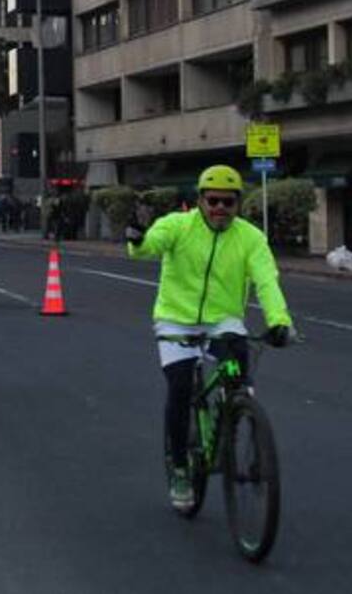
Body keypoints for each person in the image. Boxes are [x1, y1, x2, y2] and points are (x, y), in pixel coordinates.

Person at [125, 165, 295, 513]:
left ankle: (237, 416)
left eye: (228, 202)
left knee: (238, 369)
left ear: (239, 204)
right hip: (176, 319)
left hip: (222, 320)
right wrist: (138, 237)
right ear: (200, 200)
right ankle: (181, 468)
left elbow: (266, 281)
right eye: (213, 200)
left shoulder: (250, 238)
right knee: (181, 388)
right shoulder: (177, 225)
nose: (220, 208)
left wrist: (279, 321)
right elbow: (148, 247)